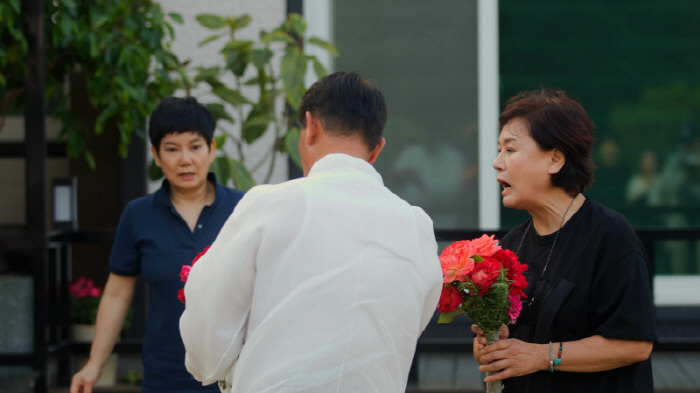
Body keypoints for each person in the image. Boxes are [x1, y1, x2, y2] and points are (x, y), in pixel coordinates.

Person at [179, 71, 443, 393]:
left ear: (311, 127)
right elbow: (408, 326)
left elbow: (210, 328)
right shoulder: (416, 226)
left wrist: (218, 368)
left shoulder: (271, 204)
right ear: (377, 150)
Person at [472, 89, 657, 393]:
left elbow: (634, 344)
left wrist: (539, 356)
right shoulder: (512, 243)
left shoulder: (610, 235)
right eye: (498, 149)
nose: (496, 162)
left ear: (555, 159)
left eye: (510, 149)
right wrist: (491, 342)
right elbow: (495, 354)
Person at [70, 97, 245, 393]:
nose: (185, 159)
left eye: (195, 147)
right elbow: (116, 295)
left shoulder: (243, 209)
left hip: (235, 377)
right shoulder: (138, 215)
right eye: (172, 149)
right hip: (165, 376)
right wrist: (94, 364)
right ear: (156, 154)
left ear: (212, 149)